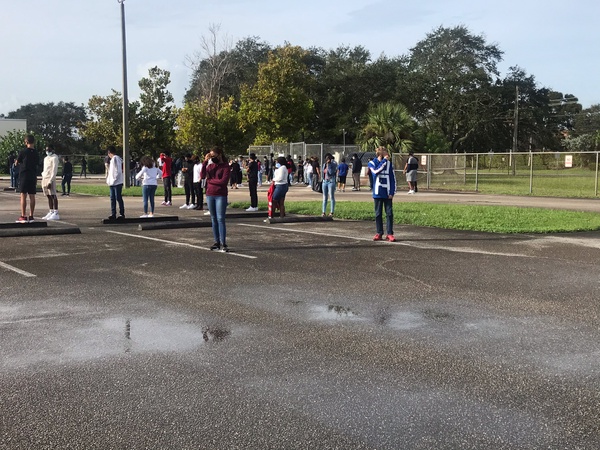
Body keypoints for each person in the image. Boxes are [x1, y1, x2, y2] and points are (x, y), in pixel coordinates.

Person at [201, 147, 231, 252]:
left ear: (220, 155)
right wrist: (205, 161)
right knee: (213, 219)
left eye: (214, 156)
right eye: (211, 156)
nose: (212, 158)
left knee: (220, 219)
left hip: (220, 195)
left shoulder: (226, 167)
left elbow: (223, 182)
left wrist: (210, 181)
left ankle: (223, 243)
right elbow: (203, 175)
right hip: (210, 194)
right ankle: (216, 241)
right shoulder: (210, 166)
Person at [368, 147, 396, 242]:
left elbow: (393, 179)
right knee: (378, 214)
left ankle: (390, 233)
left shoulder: (389, 164)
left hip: (387, 193)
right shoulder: (372, 163)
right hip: (378, 193)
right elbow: (375, 172)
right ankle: (379, 232)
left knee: (389, 214)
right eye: (385, 153)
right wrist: (383, 161)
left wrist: (392, 192)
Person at [15, 134, 39, 223]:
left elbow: (17, 162)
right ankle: (31, 216)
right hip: (32, 175)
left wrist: (16, 162)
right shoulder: (36, 153)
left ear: (26, 142)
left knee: (23, 195)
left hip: (24, 175)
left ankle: (23, 216)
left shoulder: (23, 152)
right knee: (32, 195)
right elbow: (37, 163)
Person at [41, 144, 60, 221]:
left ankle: (56, 212)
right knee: (48, 195)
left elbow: (54, 170)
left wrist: (51, 180)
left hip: (50, 178)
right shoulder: (46, 158)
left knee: (53, 194)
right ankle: (51, 211)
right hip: (44, 177)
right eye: (46, 150)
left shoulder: (54, 158)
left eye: (49, 150)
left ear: (52, 150)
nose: (47, 151)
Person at [106, 146, 125, 220]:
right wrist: (109, 180)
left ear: (109, 153)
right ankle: (113, 213)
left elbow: (118, 170)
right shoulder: (113, 160)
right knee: (112, 198)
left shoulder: (115, 159)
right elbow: (111, 172)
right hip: (112, 183)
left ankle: (121, 213)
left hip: (117, 182)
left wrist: (114, 179)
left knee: (118, 197)